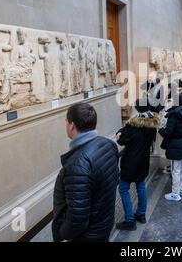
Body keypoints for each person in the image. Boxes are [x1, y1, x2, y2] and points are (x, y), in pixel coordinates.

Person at [52, 103, 119, 242]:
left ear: (72, 126)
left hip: (89, 235)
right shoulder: (108, 144)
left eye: (66, 122)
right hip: (104, 224)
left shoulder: (77, 164)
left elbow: (77, 218)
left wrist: (62, 235)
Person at [115, 99, 160, 231]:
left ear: (137, 109)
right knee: (141, 186)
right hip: (143, 161)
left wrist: (118, 134)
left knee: (123, 189)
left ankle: (129, 220)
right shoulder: (152, 124)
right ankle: (141, 214)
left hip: (130, 163)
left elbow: (122, 140)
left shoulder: (133, 125)